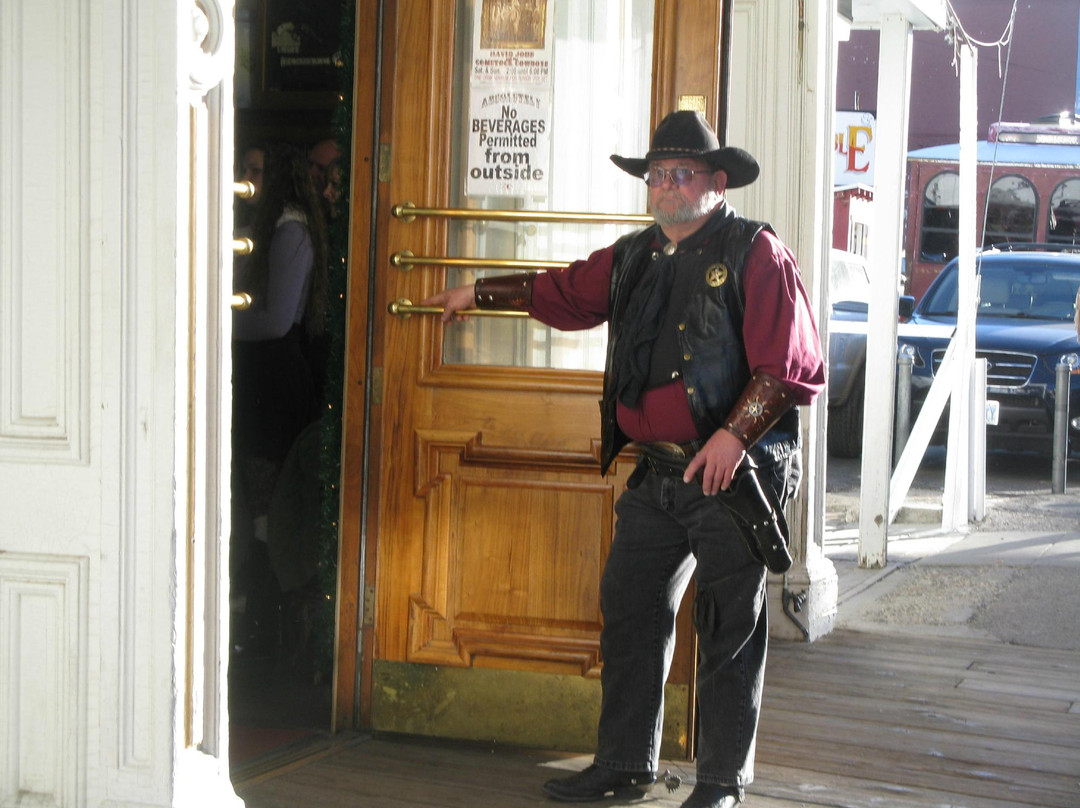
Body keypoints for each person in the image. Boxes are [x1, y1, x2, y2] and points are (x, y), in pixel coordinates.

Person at [421, 110, 825, 808]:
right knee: (631, 612)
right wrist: (478, 293)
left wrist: (733, 437)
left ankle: (723, 784)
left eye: (682, 175)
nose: (667, 188)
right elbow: (565, 292)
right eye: (657, 176)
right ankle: (626, 764)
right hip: (658, 474)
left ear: (717, 181)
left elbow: (791, 364)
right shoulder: (636, 255)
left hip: (734, 475)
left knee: (732, 626)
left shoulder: (759, 253)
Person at [232, 142, 330, 658]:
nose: (244, 179)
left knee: (269, 502)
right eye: (242, 169)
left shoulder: (289, 229)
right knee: (257, 497)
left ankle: (269, 624)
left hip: (273, 381)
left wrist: (213, 317)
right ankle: (264, 618)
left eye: (255, 170)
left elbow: (274, 321)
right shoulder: (272, 227)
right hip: (262, 377)